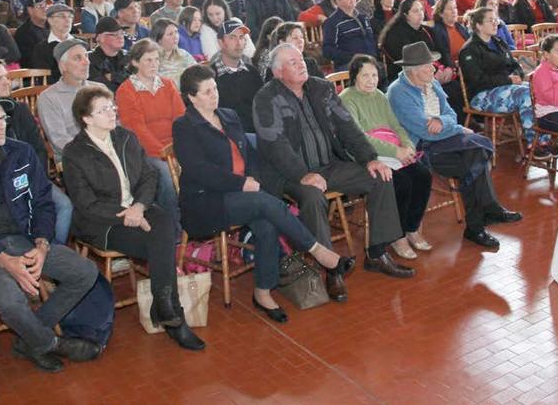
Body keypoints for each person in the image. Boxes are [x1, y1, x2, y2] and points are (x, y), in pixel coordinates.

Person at [0, 94, 101, 373]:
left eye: (3, 118)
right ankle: (50, 343)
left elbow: (43, 203)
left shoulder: (20, 152)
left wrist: (42, 242)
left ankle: (30, 338)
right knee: (11, 301)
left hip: (22, 237)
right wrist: (1, 257)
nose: (2, 125)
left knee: (84, 272)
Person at [174, 65, 353, 322]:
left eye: (215, 88)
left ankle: (262, 291)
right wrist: (241, 183)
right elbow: (199, 170)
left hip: (243, 196)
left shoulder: (229, 116)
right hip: (205, 201)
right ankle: (318, 251)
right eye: (206, 92)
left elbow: (251, 156)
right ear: (191, 97)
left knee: (267, 223)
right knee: (265, 205)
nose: (215, 95)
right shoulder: (184, 126)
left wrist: (254, 179)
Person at [253, 43, 414, 303]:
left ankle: (377, 252)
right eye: (293, 62)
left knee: (381, 176)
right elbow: (275, 145)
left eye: (301, 59)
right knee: (313, 196)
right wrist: (303, 174)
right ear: (278, 72)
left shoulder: (322, 88)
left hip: (329, 165)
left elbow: (348, 127)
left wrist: (369, 159)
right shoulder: (266, 98)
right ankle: (331, 269)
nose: (301, 63)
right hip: (289, 174)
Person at [62, 85, 203, 350]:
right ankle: (173, 316)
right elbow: (85, 203)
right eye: (103, 110)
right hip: (102, 222)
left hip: (137, 209)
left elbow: (149, 176)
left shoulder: (125, 137)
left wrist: (138, 207)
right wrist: (125, 214)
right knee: (159, 240)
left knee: (163, 225)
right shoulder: (75, 153)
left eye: (111, 107)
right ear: (86, 118)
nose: (112, 112)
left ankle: (165, 306)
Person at [387, 41, 521, 250]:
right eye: (427, 65)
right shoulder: (398, 92)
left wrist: (444, 122)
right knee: (474, 160)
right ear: (412, 70)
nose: (433, 68)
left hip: (445, 139)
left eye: (432, 64)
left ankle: (477, 225)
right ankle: (484, 215)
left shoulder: (433, 84)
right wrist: (457, 129)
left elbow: (451, 114)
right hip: (422, 149)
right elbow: (424, 130)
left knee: (474, 156)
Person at [0, 57, 75, 243]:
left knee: (64, 205)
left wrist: (36, 178)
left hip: (31, 177)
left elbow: (39, 149)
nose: (6, 82)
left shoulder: (20, 109)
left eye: (6, 77)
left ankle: (52, 250)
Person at [339, 55, 433, 260]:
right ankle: (396, 236)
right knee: (401, 183)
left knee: (423, 175)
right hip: (365, 155)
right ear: (355, 76)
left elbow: (395, 126)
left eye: (374, 75)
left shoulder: (380, 96)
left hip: (391, 150)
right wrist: (395, 151)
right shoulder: (347, 98)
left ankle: (412, 228)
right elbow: (359, 137)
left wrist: (407, 145)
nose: (371, 80)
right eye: (365, 75)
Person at [115, 39, 183, 231]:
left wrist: (180, 148)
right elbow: (136, 129)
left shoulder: (167, 85)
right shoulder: (126, 91)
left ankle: (194, 222)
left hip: (174, 146)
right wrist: (165, 153)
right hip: (148, 151)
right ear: (135, 63)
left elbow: (180, 118)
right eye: (148, 60)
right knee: (168, 177)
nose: (154, 65)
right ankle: (172, 228)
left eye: (156, 60)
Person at [458, 7, 539, 146]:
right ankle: (535, 143)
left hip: (506, 88)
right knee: (526, 93)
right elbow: (477, 80)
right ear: (478, 25)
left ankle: (542, 138)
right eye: (490, 20)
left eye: (496, 19)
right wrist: (508, 80)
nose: (496, 23)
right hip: (481, 96)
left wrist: (517, 75)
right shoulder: (469, 50)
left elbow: (514, 64)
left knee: (536, 89)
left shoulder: (498, 42)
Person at [40, 39, 104, 162]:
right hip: (76, 159)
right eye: (78, 58)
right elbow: (59, 140)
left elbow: (115, 123)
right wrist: (94, 152)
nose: (86, 62)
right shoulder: (49, 98)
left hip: (106, 152)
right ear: (63, 66)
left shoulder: (100, 89)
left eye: (86, 56)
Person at [323, 0, 377, 72]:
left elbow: (371, 39)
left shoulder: (363, 17)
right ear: (338, 1)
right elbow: (327, 50)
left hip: (370, 61)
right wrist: (352, 57)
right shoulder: (332, 22)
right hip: (349, 65)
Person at [378, 0, 435, 81]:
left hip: (425, 71)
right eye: (415, 11)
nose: (420, 13)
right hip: (402, 76)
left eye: (421, 10)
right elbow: (404, 62)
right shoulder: (394, 34)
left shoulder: (423, 30)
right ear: (405, 15)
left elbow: (432, 53)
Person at [87, 16, 131, 93]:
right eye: (114, 34)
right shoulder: (89, 60)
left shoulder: (128, 56)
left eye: (121, 33)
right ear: (100, 38)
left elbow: (137, 80)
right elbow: (101, 88)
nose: (120, 37)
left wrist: (113, 77)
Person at [151, 18, 196, 86]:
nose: (176, 37)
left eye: (176, 32)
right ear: (159, 39)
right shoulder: (152, 59)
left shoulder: (184, 54)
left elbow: (198, 74)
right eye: (170, 34)